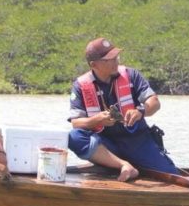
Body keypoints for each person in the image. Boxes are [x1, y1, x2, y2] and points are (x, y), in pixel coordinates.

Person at [67, 37, 179, 181]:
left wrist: (141, 111)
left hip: (138, 142)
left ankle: (133, 164)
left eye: (116, 56)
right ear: (94, 65)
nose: (116, 61)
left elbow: (155, 103)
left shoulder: (132, 75)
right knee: (74, 137)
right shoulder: (80, 85)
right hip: (107, 146)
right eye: (109, 59)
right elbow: (76, 123)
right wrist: (97, 120)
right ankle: (124, 165)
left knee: (172, 176)